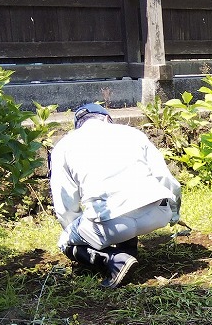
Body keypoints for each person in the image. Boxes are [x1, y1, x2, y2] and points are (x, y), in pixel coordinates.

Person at [50, 103, 182, 288]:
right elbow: (164, 177)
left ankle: (114, 260)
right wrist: (174, 213)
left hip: (113, 224)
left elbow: (65, 205)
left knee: (65, 241)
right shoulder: (133, 134)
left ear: (78, 126)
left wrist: (78, 234)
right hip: (158, 213)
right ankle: (129, 251)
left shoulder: (63, 146)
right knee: (128, 200)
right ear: (106, 119)